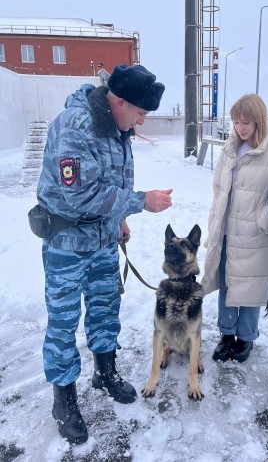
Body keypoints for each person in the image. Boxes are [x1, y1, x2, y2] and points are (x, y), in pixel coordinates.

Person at [36, 64, 173, 444]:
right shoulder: (77, 125)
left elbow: (109, 183)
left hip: (101, 239)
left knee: (104, 308)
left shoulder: (117, 128)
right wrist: (140, 202)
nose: (142, 122)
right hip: (67, 243)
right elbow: (79, 194)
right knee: (64, 321)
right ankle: (63, 398)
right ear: (120, 102)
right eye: (141, 114)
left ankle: (105, 372)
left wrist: (119, 220)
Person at [201, 94, 268, 363]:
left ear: (259, 122)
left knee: (251, 288)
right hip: (227, 230)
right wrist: (215, 222)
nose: (240, 128)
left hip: (256, 234)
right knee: (228, 284)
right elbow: (218, 189)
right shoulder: (229, 149)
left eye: (246, 122)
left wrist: (262, 221)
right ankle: (227, 334)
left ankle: (246, 338)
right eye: (236, 122)